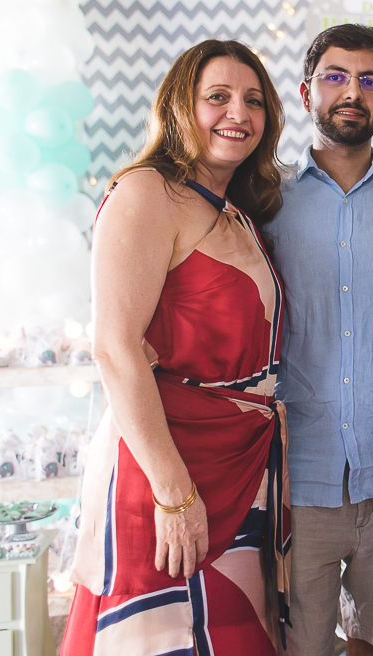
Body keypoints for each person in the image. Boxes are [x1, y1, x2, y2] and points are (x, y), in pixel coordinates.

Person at [62, 39, 290, 655]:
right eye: (218, 96)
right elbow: (115, 347)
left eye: (253, 101)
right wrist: (173, 492)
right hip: (167, 464)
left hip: (238, 460)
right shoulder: (147, 192)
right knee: (163, 635)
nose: (238, 113)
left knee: (235, 631)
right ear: (179, 106)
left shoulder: (237, 209)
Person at [263, 24, 373, 656]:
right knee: (301, 647)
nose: (352, 92)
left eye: (369, 81)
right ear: (307, 93)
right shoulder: (264, 198)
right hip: (297, 477)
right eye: (335, 77)